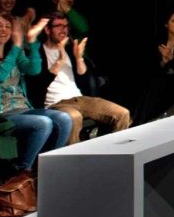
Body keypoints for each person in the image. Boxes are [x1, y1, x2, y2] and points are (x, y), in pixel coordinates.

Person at [0, 13, 71, 174]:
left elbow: (34, 69)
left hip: (23, 109)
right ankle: (21, 172)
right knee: (43, 123)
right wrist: (17, 46)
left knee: (64, 118)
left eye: (8, 26)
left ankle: (48, 169)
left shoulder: (14, 53)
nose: (4, 29)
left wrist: (32, 42)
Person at [29, 14, 130, 143]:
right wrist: (59, 60)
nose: (63, 30)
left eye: (66, 26)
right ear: (47, 30)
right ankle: (73, 161)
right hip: (57, 103)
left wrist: (79, 58)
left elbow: (86, 83)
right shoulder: (38, 53)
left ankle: (108, 155)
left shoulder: (70, 50)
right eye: (59, 26)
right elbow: (38, 85)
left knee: (122, 114)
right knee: (74, 117)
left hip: (80, 99)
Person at [139, 11, 174, 122]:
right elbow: (154, 68)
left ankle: (145, 120)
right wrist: (163, 61)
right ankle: (141, 120)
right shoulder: (161, 42)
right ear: (166, 24)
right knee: (152, 83)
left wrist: (171, 60)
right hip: (163, 79)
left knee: (158, 85)